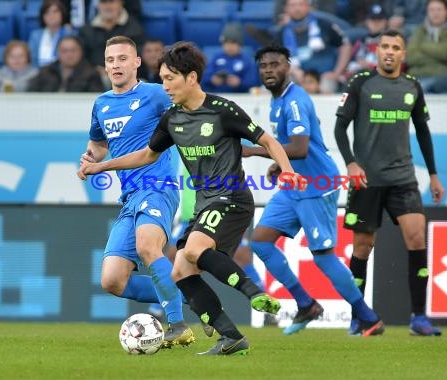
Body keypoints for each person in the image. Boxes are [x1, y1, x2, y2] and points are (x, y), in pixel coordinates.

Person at [78, 41, 304, 355]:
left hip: (197, 193)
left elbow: (263, 138)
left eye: (170, 78)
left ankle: (223, 305)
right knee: (148, 275)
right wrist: (95, 162)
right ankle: (213, 319)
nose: (165, 85)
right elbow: (126, 150)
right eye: (109, 59)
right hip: (173, 199)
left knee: (170, 248)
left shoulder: (192, 103)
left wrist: (287, 167)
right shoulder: (138, 112)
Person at [243, 45, 384, 337]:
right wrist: (280, 166)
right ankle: (306, 304)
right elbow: (292, 144)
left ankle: (368, 318)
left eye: (275, 64)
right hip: (295, 184)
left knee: (323, 257)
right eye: (263, 66)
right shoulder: (277, 100)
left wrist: (256, 151)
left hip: (317, 186)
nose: (269, 70)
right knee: (260, 241)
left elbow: (300, 147)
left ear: (288, 66)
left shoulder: (295, 101)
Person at [77, 36, 194, 348]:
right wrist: (91, 157)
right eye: (111, 59)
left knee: (147, 246)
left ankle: (178, 324)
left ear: (137, 62)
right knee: (112, 280)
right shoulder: (101, 104)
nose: (116, 65)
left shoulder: (156, 95)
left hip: (158, 188)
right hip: (129, 197)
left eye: (122, 58)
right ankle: (187, 294)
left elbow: (189, 112)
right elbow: (100, 143)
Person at [334, 29, 445, 336]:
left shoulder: (412, 86)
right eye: (384, 46)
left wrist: (433, 174)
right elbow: (340, 128)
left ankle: (419, 318)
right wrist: (351, 163)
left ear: (403, 53)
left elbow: (422, 131)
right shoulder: (360, 83)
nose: (389, 51)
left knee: (417, 237)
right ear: (377, 50)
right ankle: (359, 317)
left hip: (403, 178)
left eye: (396, 47)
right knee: (362, 246)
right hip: (366, 180)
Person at [278, 0, 353, 93]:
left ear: (309, 7)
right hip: (297, 75)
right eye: (293, 5)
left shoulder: (324, 25)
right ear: (286, 9)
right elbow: (277, 59)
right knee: (279, 85)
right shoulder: (282, 32)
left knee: (327, 87)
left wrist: (337, 72)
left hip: (324, 76)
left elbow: (345, 46)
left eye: (301, 5)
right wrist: (292, 70)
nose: (297, 9)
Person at [406, 0, 447, 92]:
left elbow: (445, 53)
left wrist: (422, 45)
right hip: (415, 76)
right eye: (432, 10)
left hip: (441, 77)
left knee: (419, 91)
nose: (435, 13)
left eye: (439, 9)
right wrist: (435, 53)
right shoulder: (420, 30)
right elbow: (411, 57)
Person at [78, 0, 145, 70]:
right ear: (98, 5)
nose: (108, 6)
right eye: (103, 2)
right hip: (93, 77)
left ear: (121, 3)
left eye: (111, 1)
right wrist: (95, 71)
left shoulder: (135, 29)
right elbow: (81, 58)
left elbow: (138, 58)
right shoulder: (86, 30)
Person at [27, 35, 105, 92]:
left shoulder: (91, 74)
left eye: (73, 50)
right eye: (64, 51)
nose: (69, 55)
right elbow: (31, 96)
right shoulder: (45, 72)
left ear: (81, 52)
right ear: (58, 53)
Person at [201, 22, 260, 93]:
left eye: (233, 43)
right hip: (216, 96)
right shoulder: (216, 58)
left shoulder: (246, 61)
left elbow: (253, 82)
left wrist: (239, 83)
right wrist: (212, 80)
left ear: (240, 44)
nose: (230, 46)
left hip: (240, 98)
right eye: (226, 43)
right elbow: (204, 78)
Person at [28, 0, 75, 68]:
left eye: (55, 12)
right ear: (43, 17)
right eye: (47, 13)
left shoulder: (70, 34)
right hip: (40, 75)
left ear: (62, 14)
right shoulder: (36, 36)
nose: (51, 15)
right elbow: (32, 61)